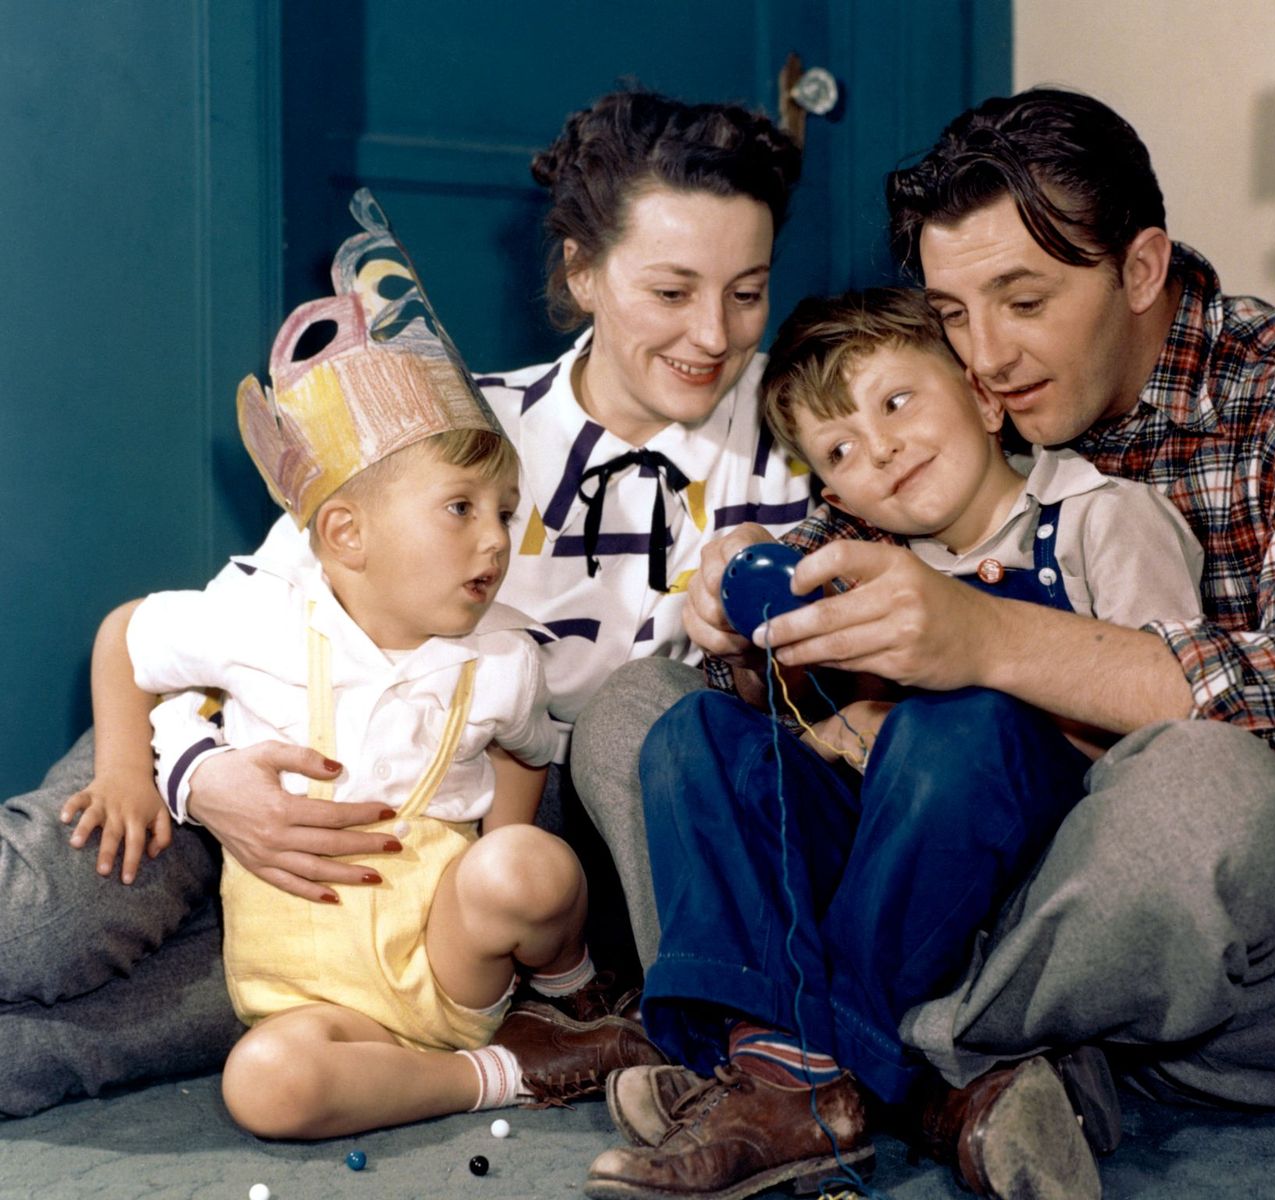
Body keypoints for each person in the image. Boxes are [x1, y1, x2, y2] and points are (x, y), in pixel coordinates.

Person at [586, 88, 1275, 1200]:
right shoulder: (936, 424)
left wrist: (985, 641)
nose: (987, 359)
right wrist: (741, 623)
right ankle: (933, 1078)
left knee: (1196, 785)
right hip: (983, 889)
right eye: (952, 317)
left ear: (1143, 269)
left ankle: (792, 1052)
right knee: (639, 709)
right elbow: (792, 673)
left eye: (1024, 301)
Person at [0, 90, 807, 1118]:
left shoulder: (801, 454)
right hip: (236, 745)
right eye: (671, 290)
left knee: (94, 1046)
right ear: (583, 273)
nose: (713, 333)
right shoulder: (450, 430)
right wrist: (208, 781)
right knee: (33, 926)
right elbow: (235, 629)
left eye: (747, 293)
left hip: (450, 865)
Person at [66, 191, 668, 1138]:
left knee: (529, 865)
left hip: (447, 964)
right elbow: (127, 635)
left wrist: (496, 867)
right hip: (310, 995)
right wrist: (121, 769)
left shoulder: (503, 659)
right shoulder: (261, 622)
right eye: (461, 509)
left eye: (505, 511)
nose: (497, 540)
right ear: (344, 533)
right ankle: (509, 1074)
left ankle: (571, 1001)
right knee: (265, 1087)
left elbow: (523, 755)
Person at [579, 284, 1203, 1198]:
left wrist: (960, 691)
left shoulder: (1102, 516)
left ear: (987, 401)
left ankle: (785, 1075)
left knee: (962, 722)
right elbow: (807, 727)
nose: (880, 447)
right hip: (886, 871)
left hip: (1033, 877)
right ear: (835, 493)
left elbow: (1176, 734)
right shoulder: (871, 568)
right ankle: (808, 1067)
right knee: (697, 733)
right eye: (841, 449)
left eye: (897, 401)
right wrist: (807, 690)